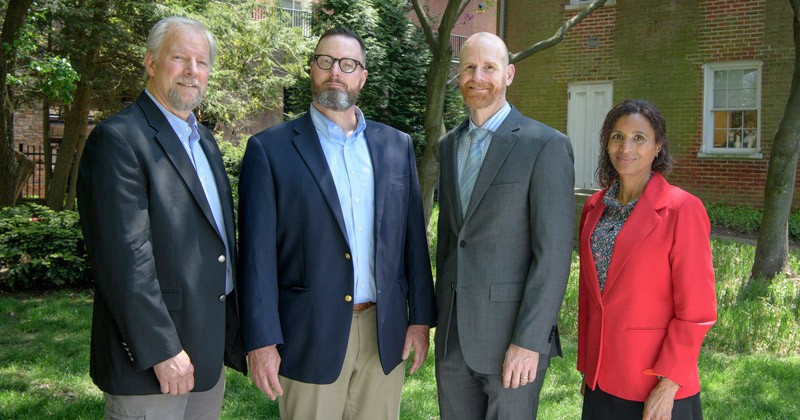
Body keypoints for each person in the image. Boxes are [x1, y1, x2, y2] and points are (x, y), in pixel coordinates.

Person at [237, 27, 436, 420]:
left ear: (362, 76)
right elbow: (256, 256)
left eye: (348, 64)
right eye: (325, 62)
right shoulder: (270, 149)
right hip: (308, 333)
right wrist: (261, 341)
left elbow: (414, 240)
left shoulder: (396, 146)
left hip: (384, 333)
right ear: (312, 70)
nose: (335, 72)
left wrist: (421, 320)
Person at [77, 16, 245, 420]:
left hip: (204, 356)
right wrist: (163, 350)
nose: (192, 71)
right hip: (153, 364)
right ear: (151, 63)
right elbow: (124, 260)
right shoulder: (119, 139)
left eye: (201, 62)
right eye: (180, 58)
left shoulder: (203, 142)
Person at [434, 32, 575, 419]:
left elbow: (554, 254)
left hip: (511, 341)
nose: (477, 76)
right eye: (468, 67)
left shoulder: (544, 145)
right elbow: (451, 241)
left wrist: (529, 340)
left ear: (509, 75)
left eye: (489, 67)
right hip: (453, 339)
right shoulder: (449, 147)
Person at [577, 99, 717, 419]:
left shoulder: (683, 209)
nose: (626, 146)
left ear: (658, 148)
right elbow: (590, 296)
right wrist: (588, 366)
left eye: (639, 137)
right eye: (617, 136)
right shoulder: (594, 209)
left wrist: (668, 386)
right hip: (601, 378)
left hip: (655, 384)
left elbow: (697, 312)